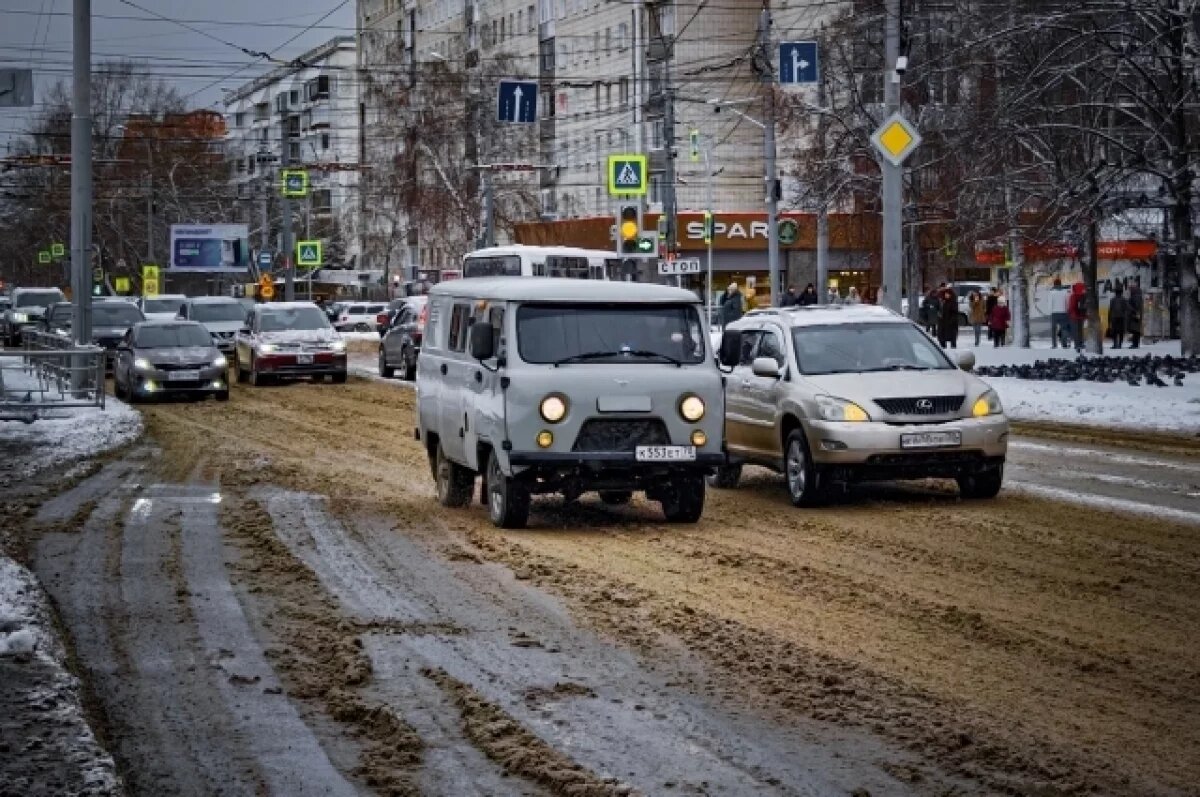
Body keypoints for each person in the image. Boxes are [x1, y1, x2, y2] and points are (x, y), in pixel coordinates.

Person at [1048, 277, 1071, 348]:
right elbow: (1067, 302)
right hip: (1064, 312)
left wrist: (1050, 312)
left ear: (1054, 284)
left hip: (1054, 313)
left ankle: (1054, 345)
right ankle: (1064, 344)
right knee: (1064, 329)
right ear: (1061, 284)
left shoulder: (1051, 293)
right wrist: (1067, 311)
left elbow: (1050, 303)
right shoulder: (1065, 292)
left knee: (1053, 329)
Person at [1068, 282, 1087, 353]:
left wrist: (1071, 314)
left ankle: (1077, 344)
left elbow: (1071, 307)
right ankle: (1081, 343)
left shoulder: (1073, 296)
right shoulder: (1084, 296)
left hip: (1074, 316)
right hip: (1081, 316)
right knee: (1080, 330)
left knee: (1075, 331)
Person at [1128, 278, 1144, 349]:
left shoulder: (1135, 297)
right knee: (1136, 330)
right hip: (1137, 314)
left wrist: (1133, 311)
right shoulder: (1138, 296)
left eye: (1130, 289)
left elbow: (1135, 306)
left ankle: (1135, 344)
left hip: (1135, 315)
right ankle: (1136, 344)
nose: (1130, 290)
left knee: (1135, 330)